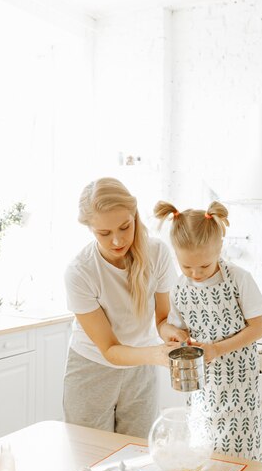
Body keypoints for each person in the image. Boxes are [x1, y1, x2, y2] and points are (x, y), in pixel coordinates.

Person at [63, 177, 187, 437]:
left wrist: (170, 333)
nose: (118, 241)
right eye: (104, 233)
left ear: (134, 215)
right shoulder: (80, 272)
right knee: (90, 457)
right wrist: (156, 354)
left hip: (141, 371)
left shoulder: (158, 253)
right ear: (90, 229)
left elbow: (162, 319)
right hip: (91, 370)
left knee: (136, 456)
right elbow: (109, 349)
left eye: (124, 227)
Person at [154, 200, 262, 461]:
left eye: (204, 266)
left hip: (240, 383)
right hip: (202, 388)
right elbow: (169, 326)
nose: (195, 273)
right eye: (186, 266)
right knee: (205, 452)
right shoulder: (180, 288)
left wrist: (217, 349)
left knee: (239, 456)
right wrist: (174, 333)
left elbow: (258, 329)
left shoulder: (239, 279)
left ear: (219, 249)